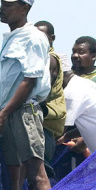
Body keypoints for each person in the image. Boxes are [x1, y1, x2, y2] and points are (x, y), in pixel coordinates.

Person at [0, 0, 52, 190]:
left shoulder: (32, 37)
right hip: (9, 112)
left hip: (24, 112)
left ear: (24, 8)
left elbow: (29, 81)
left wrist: (2, 116)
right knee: (13, 176)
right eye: (1, 4)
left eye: (8, 5)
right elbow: (11, 82)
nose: (2, 9)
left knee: (35, 175)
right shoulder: (13, 37)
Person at [33, 20, 67, 163]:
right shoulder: (36, 60)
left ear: (51, 39)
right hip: (38, 125)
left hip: (45, 127)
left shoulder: (50, 60)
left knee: (39, 176)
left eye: (42, 36)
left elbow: (41, 93)